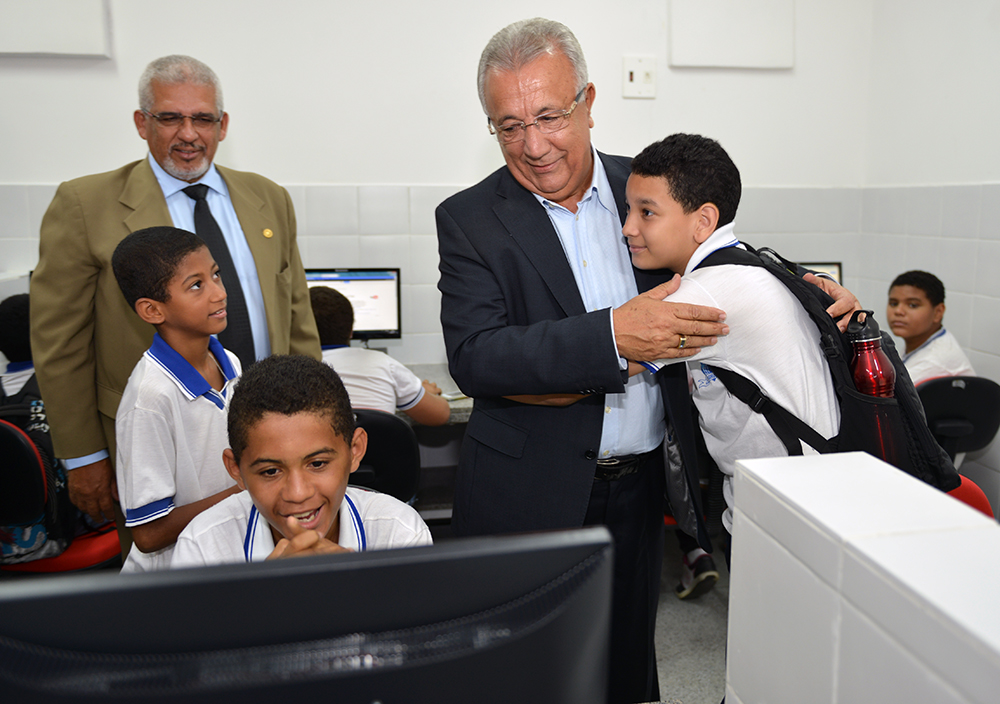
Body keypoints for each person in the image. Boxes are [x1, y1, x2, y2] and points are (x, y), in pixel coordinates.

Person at [436, 19, 861, 703]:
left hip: (639, 486)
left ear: (588, 101)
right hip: (529, 490)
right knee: (522, 676)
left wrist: (812, 298)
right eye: (509, 126)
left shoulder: (646, 185)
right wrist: (613, 338)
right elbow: (477, 357)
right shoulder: (470, 218)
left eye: (549, 117)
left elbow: (719, 259)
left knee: (626, 664)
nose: (533, 145)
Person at [29, 55, 320, 538]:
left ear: (222, 125)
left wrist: (315, 417)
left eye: (202, 118)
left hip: (274, 437)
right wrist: (83, 456)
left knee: (283, 565)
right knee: (173, 569)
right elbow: (60, 341)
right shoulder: (85, 204)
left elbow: (297, 316)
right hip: (161, 447)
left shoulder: (269, 198)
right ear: (142, 123)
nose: (188, 134)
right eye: (170, 118)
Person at [622, 133, 840, 541]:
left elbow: (602, 360)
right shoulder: (749, 265)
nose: (627, 227)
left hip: (786, 507)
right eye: (628, 209)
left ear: (703, 221)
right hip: (810, 488)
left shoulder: (706, 293)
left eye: (646, 212)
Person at [172, 354, 432, 568]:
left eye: (317, 464)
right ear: (236, 469)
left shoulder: (399, 534)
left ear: (355, 450)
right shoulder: (204, 547)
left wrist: (354, 587)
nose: (297, 493)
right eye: (270, 471)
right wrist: (267, 593)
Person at [111, 227, 243, 572]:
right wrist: (246, 491)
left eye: (216, 275)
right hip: (172, 581)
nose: (219, 293)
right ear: (152, 311)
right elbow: (149, 534)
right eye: (196, 285)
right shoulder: (149, 400)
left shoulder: (230, 364)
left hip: (222, 558)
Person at [309, 286, 450, 425]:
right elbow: (440, 415)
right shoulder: (384, 364)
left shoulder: (299, 371)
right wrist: (423, 393)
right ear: (351, 330)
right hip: (378, 441)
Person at [886, 270, 975, 384]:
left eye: (912, 305)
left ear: (938, 312)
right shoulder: (919, 343)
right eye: (894, 303)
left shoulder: (935, 362)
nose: (898, 311)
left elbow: (887, 393)